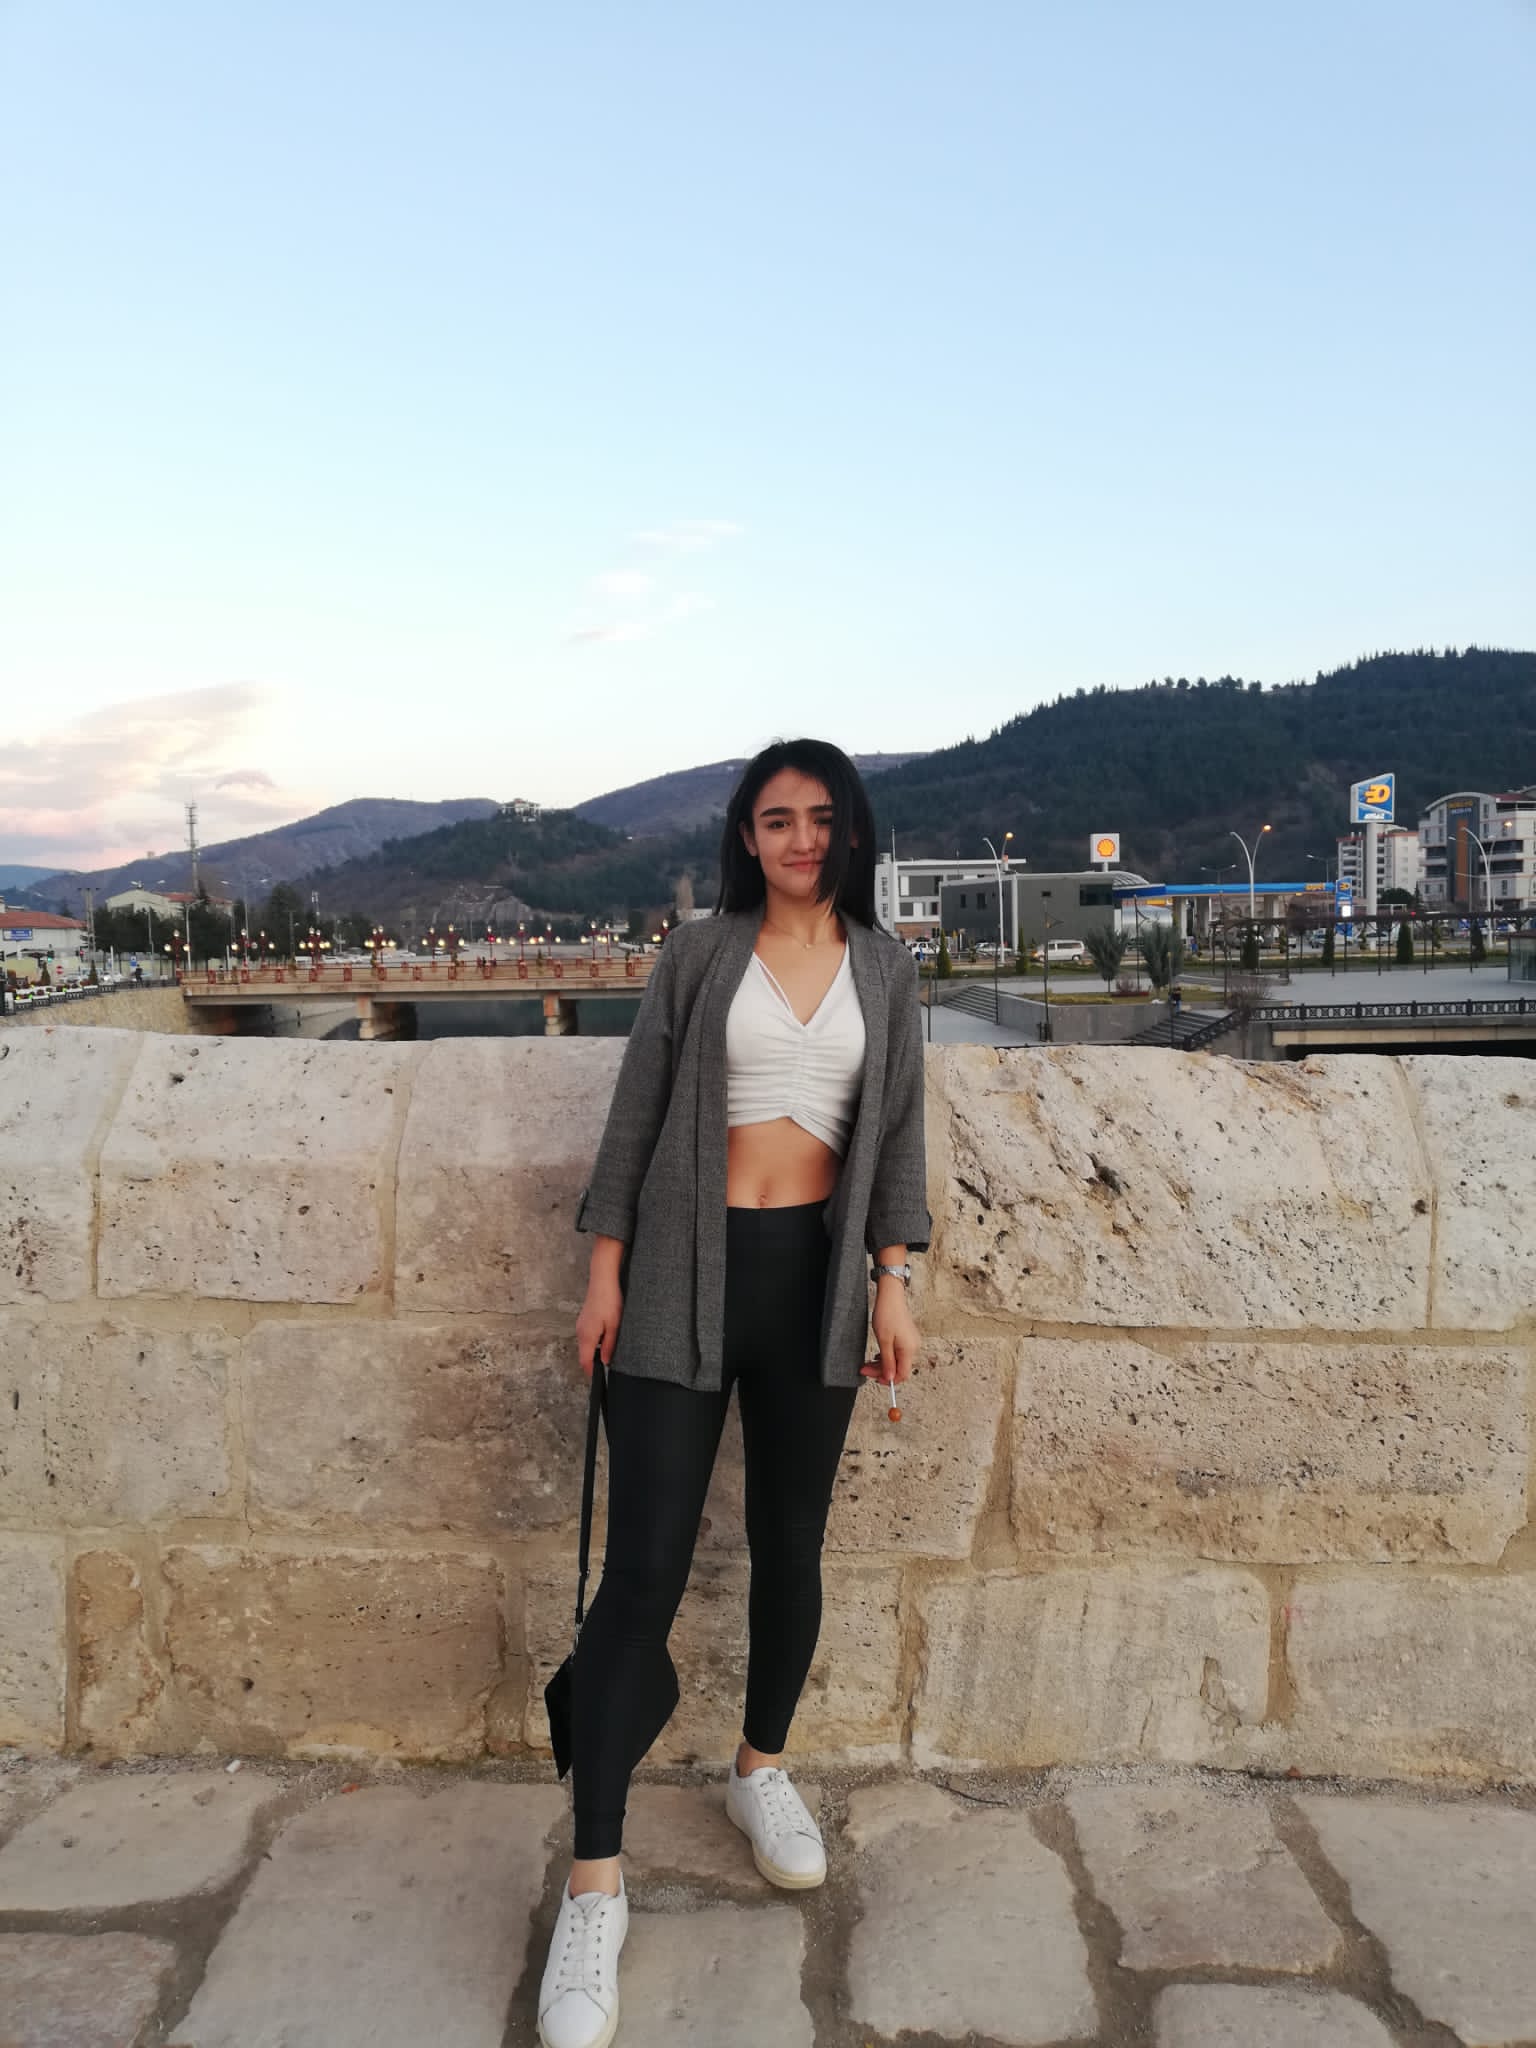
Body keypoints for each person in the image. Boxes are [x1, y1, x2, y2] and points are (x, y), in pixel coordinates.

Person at [538, 738, 930, 2048]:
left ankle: (761, 1765)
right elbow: (637, 1115)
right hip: (678, 1275)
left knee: (790, 1546)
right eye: (776, 820)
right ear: (745, 838)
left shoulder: (889, 969)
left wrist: (894, 1281)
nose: (800, 839)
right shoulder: (700, 954)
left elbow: (900, 1134)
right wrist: (603, 1275)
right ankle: (595, 1884)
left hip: (814, 1285)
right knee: (641, 1572)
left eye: (821, 818)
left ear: (851, 832)